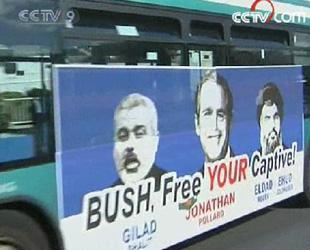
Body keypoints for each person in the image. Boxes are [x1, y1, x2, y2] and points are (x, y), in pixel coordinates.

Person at [113, 93, 165, 190]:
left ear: (155, 141)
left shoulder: (174, 190)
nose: (130, 145)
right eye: (122, 136)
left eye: (140, 133)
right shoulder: (107, 201)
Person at [195, 69, 234, 172]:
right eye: (207, 114)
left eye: (221, 115)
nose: (214, 126)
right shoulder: (195, 184)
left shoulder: (250, 174)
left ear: (230, 122)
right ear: (197, 124)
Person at [256, 83, 285, 155]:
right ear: (260, 123)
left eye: (276, 117)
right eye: (267, 118)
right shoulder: (254, 161)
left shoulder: (295, 156)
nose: (272, 125)